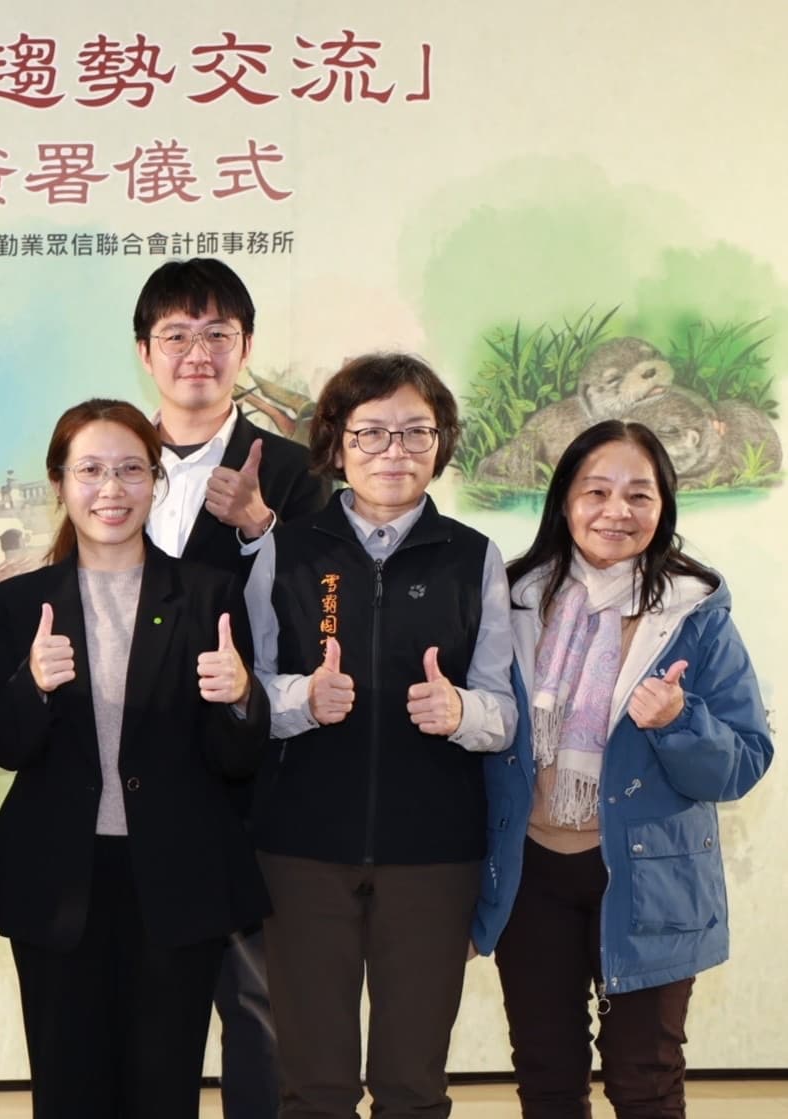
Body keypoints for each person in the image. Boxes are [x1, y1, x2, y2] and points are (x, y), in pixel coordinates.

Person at [0, 399, 269, 1118]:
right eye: (92, 471)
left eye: (132, 470)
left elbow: (237, 759)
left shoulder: (207, 594)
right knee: (67, 1090)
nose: (112, 489)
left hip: (177, 878)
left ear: (156, 481)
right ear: (60, 482)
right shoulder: (19, 602)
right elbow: (3, 746)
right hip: (55, 879)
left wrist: (240, 698)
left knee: (163, 1090)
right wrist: (32, 686)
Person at [473, 421, 772, 1117]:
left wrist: (678, 721)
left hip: (650, 875)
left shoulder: (696, 611)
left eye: (639, 494)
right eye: (597, 491)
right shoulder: (511, 599)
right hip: (530, 873)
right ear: (564, 500)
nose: (618, 511)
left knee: (646, 1080)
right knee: (547, 1077)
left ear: (664, 506)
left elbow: (743, 761)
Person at [244, 353, 516, 1119]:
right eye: (370, 432)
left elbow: (504, 711)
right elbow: (247, 691)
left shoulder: (474, 557)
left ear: (441, 443)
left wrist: (461, 712)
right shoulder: (286, 551)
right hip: (301, 848)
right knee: (313, 1086)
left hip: (433, 854)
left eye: (415, 431)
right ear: (336, 443)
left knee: (413, 1085)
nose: (393, 451)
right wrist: (303, 698)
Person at [134, 258, 328, 1117]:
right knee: (146, 1001)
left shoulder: (294, 471)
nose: (197, 352)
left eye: (218, 333)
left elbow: (324, 612)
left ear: (245, 347)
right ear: (144, 351)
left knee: (257, 1001)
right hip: (134, 779)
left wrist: (260, 529)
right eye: (176, 333)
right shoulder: (114, 461)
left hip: (254, 776)